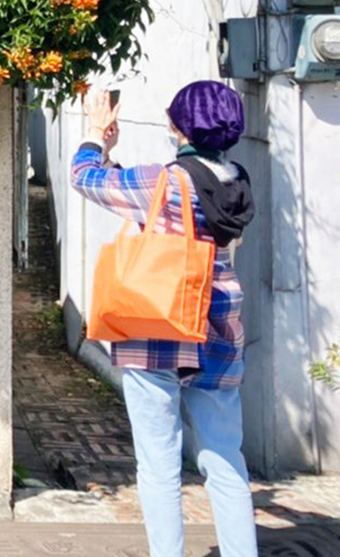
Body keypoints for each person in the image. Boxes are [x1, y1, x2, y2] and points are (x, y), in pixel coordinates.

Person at [73, 81, 258, 557]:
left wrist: (96, 137)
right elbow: (151, 199)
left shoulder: (163, 180)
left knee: (159, 461)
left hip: (160, 320)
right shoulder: (237, 179)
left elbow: (85, 177)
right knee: (224, 456)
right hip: (219, 321)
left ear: (178, 126)